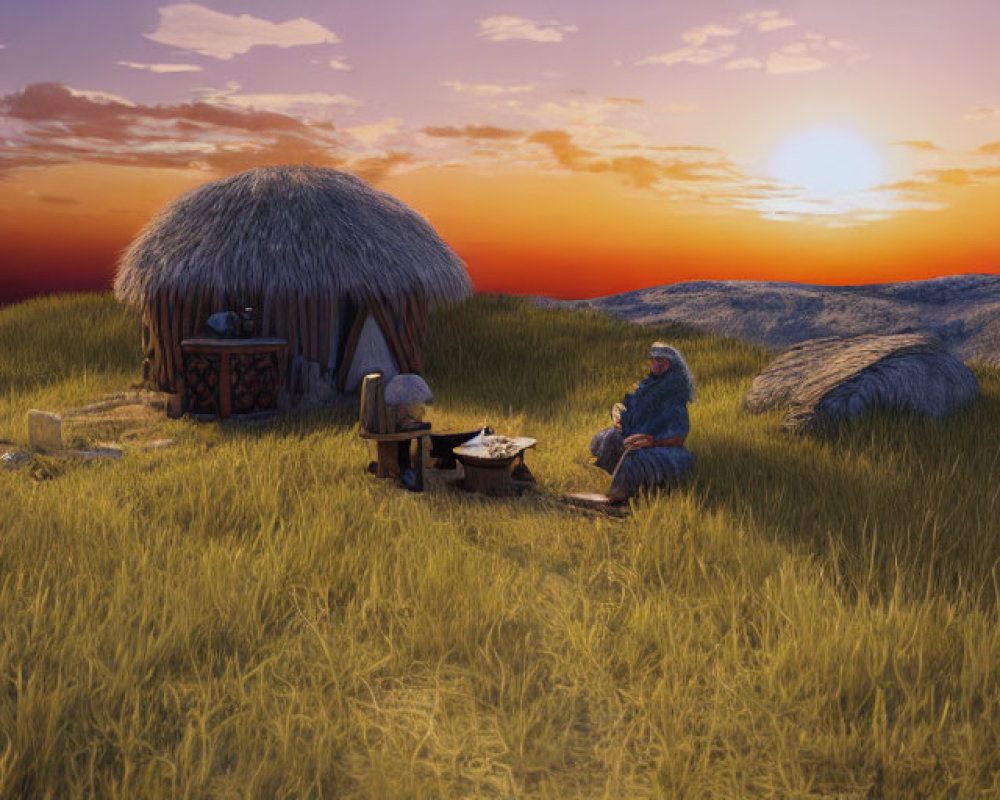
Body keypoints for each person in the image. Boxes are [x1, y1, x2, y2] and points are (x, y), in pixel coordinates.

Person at [590, 342, 695, 503]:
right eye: (654, 359)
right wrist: (623, 423)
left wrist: (653, 441)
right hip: (639, 439)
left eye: (662, 361)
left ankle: (618, 499)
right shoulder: (648, 386)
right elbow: (634, 414)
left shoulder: (674, 394)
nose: (657, 364)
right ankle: (608, 483)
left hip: (665, 448)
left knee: (635, 459)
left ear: (670, 365)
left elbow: (680, 437)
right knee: (608, 438)